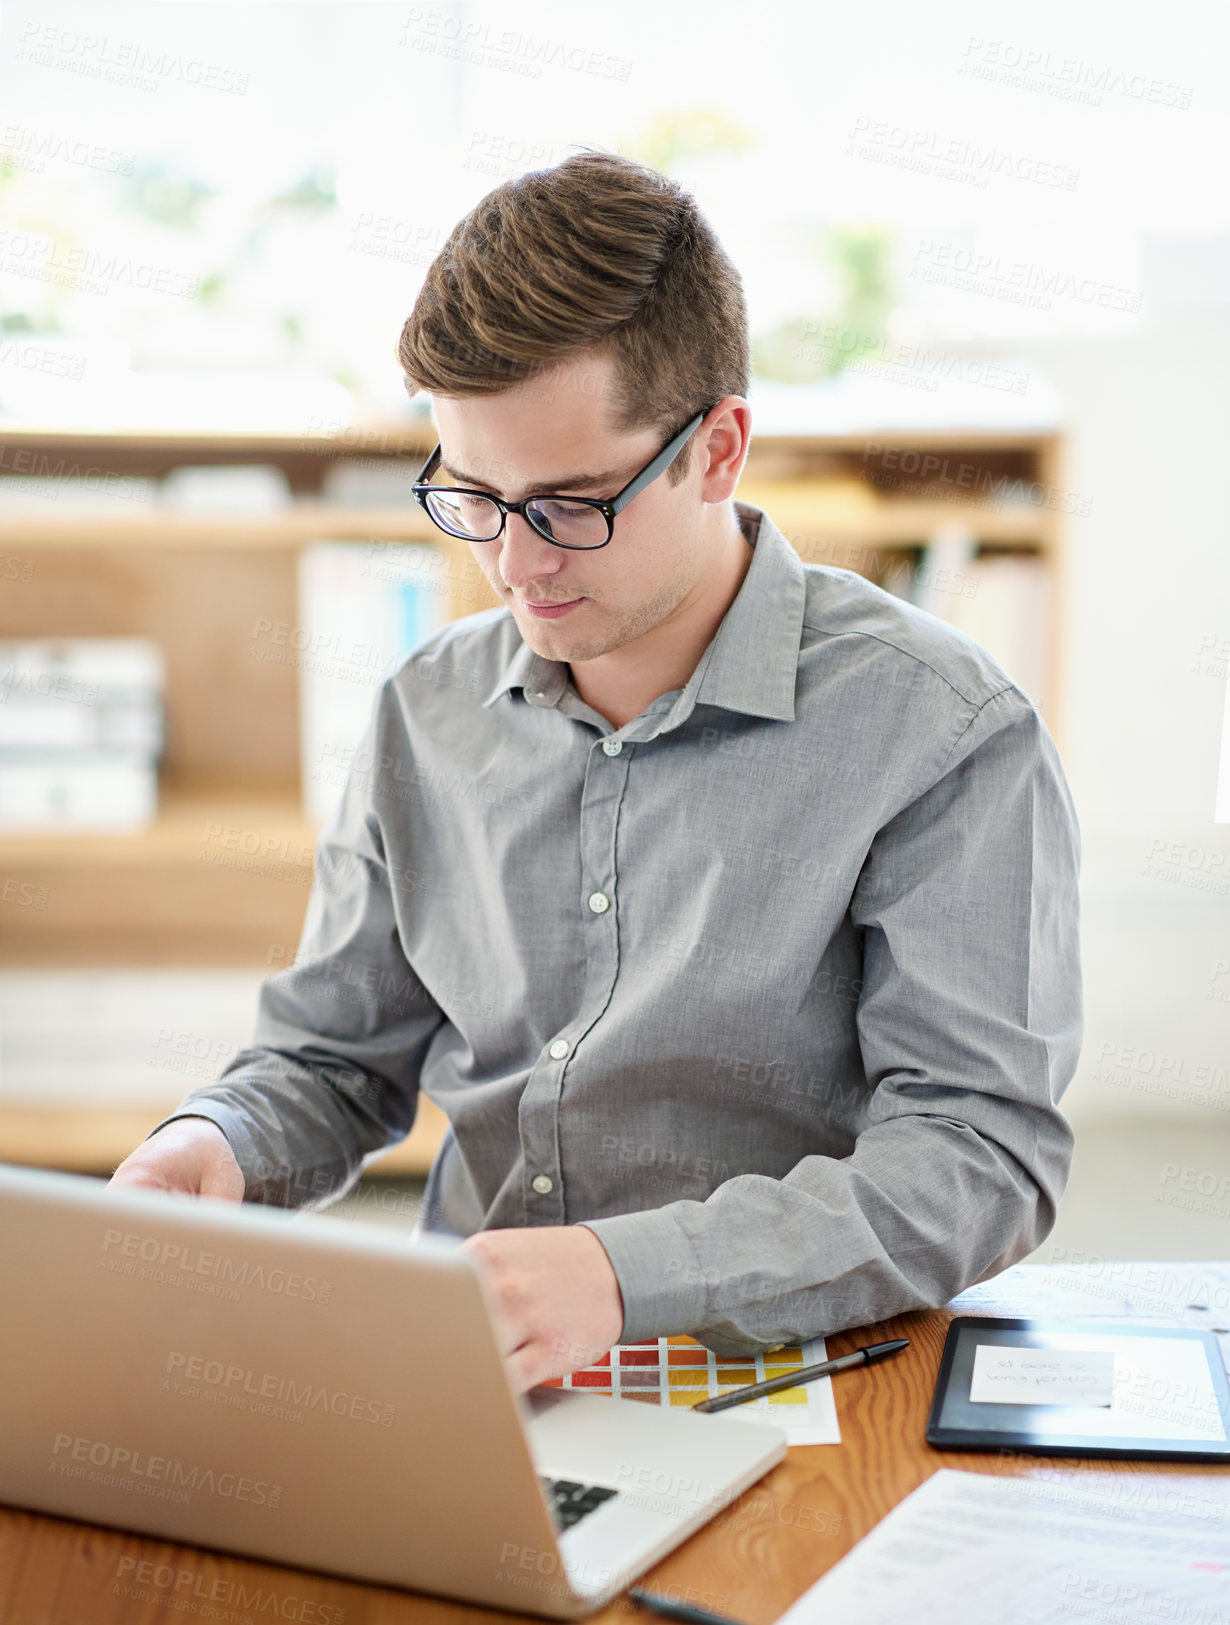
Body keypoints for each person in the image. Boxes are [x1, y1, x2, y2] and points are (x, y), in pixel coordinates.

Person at [111, 150, 1082, 1396]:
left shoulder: (942, 735)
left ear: (718, 450)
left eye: (570, 504)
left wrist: (623, 1276)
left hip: (802, 1377)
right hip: (477, 1378)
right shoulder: (428, 712)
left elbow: (978, 1157)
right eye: (473, 495)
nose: (514, 564)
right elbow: (332, 1061)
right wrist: (219, 1139)